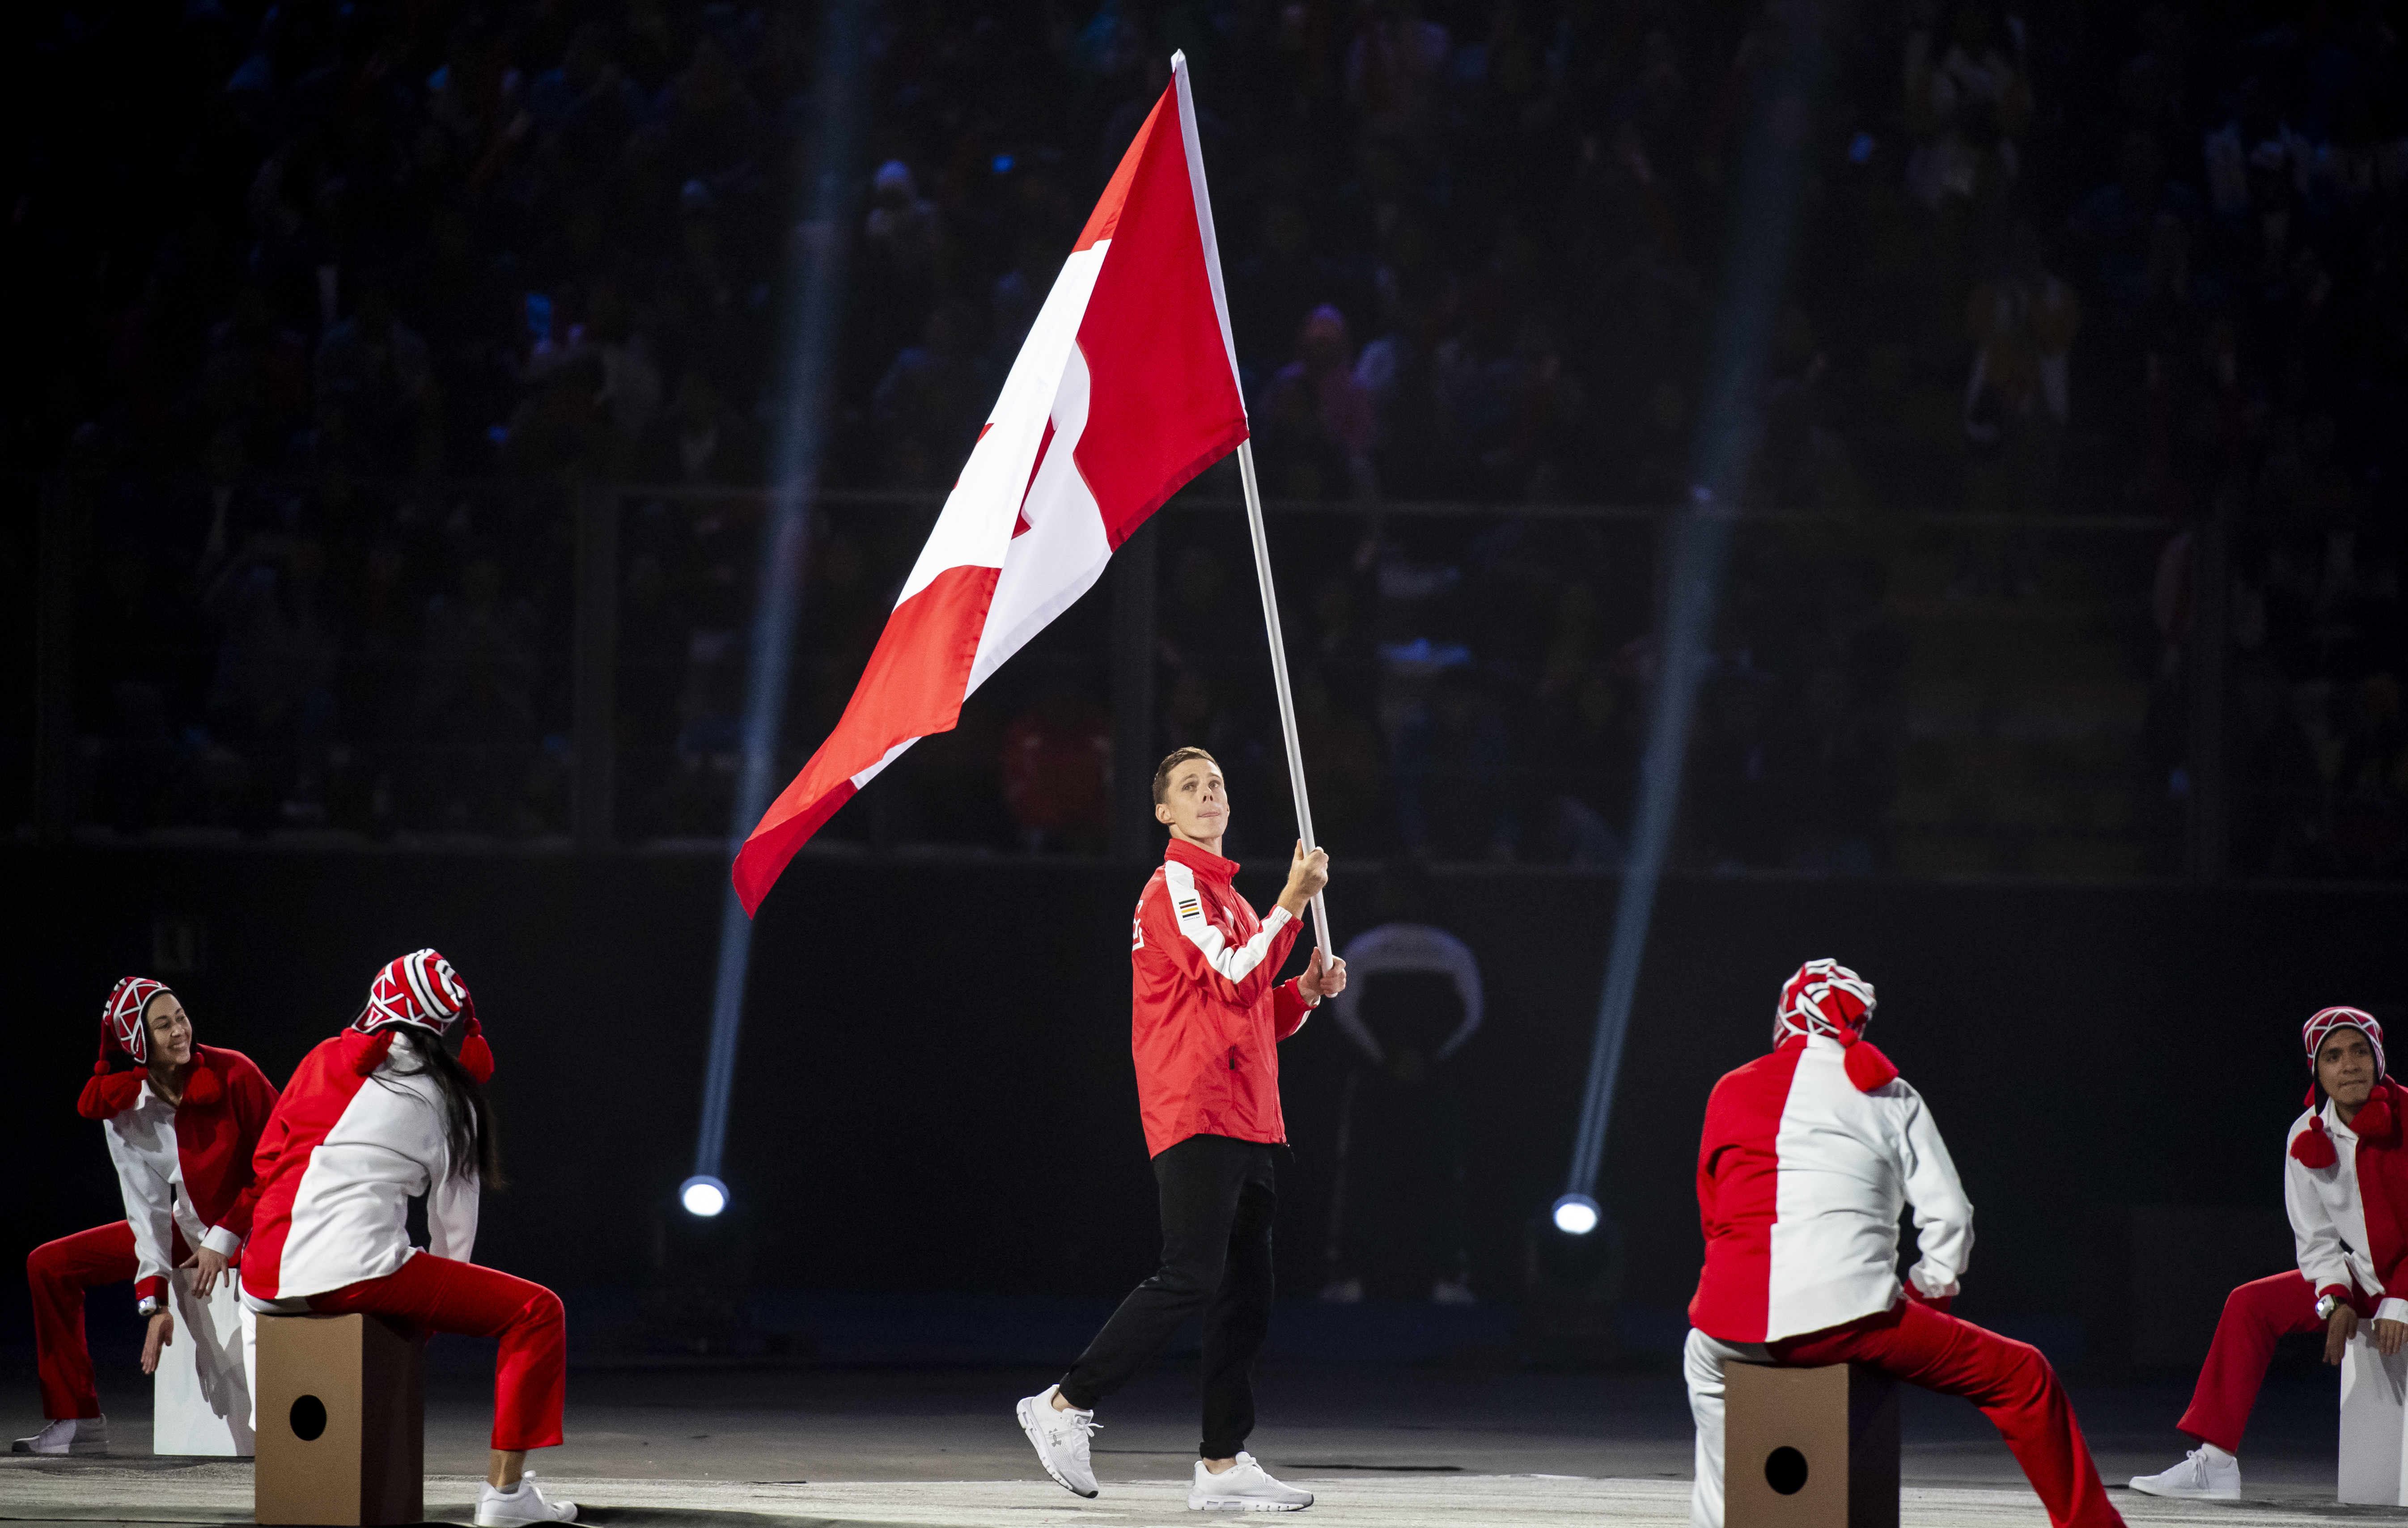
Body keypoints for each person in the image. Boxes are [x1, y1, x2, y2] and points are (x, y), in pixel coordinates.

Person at [1017, 746, 1348, 1513]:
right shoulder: (1174, 887)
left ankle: (1221, 1462)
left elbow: (1250, 1010)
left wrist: (1299, 990)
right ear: (1163, 811)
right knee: (1190, 1275)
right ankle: (1062, 1405)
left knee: (1246, 1296)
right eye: (1190, 788)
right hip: (1195, 1107)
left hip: (1248, 1116)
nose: (1208, 795)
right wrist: (1293, 903)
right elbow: (1232, 973)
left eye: (1217, 785)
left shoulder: (1229, 898)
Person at [1683, 959, 2123, 1528]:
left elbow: (1713, 1215)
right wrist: (1926, 1294)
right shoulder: (1888, 1093)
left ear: (1785, 1018)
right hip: (1847, 1321)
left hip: (1726, 1324)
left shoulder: (1729, 1088)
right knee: (2023, 1376)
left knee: (1706, 1384)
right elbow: (1948, 1217)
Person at [241, 950, 573, 1527]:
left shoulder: (322, 1055)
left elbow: (267, 1162)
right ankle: (506, 1494)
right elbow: (453, 1234)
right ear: (443, 1024)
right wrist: (427, 1323)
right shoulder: (452, 1099)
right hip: (354, 1272)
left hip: (261, 1275)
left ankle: (291, 1462)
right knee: (538, 1312)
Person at [2129, 1007, 2407, 1500]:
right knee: (2249, 1304)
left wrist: (2399, 1300)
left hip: (2402, 1285)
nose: (2348, 1065)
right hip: (2364, 1280)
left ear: (2378, 1058)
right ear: (2316, 1070)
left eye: (2359, 1052)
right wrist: (2334, 1301)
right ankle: (2214, 1465)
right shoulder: (2304, 1135)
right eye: (2334, 1056)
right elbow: (2316, 1241)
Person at [18, 979, 279, 1455]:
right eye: (164, 1025)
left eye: (181, 1017)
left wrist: (226, 1235)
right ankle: (80, 1420)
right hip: (191, 1230)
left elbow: (283, 1164)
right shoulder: (126, 1111)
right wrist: (154, 1303)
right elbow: (146, 1210)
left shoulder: (236, 1073)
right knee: (49, 1265)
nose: (180, 1030)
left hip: (257, 1227)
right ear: (139, 1043)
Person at [1319, 862, 1483, 1304]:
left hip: (1396, 1080)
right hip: (1403, 1079)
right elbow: (1470, 1016)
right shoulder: (1443, 952)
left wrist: (1395, 1060)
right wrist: (1417, 1059)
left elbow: (1346, 1012)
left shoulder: (1372, 950)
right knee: (1372, 1172)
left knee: (1428, 1172)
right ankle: (1359, 1276)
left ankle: (1441, 1277)